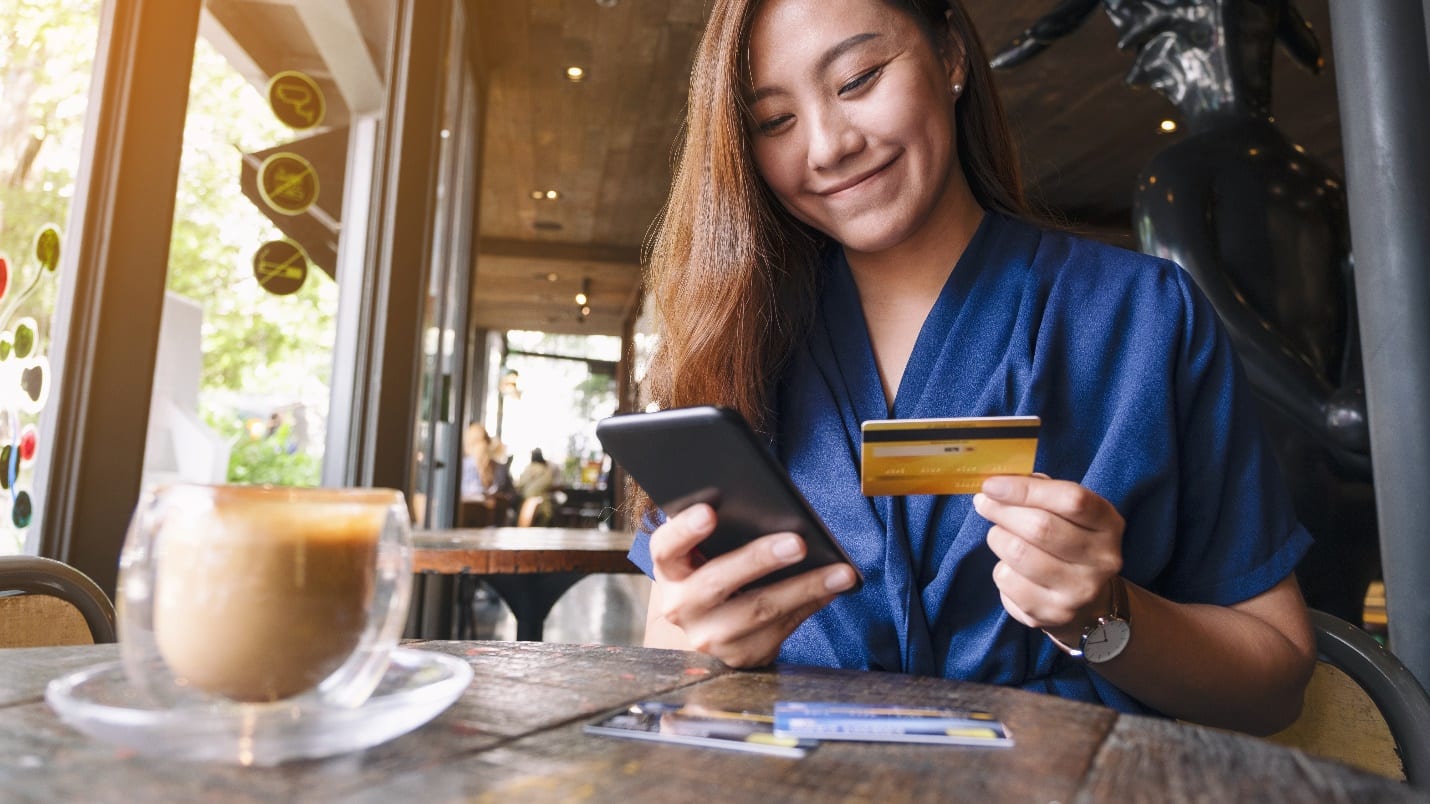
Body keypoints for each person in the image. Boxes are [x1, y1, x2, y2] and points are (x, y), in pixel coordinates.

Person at [629, 0, 1315, 737]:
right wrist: (707, 651)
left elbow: (1274, 685)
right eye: (773, 121)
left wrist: (1105, 615)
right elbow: (673, 678)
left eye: (858, 78)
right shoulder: (731, 348)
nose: (827, 146)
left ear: (951, 56)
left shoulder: (1143, 317)